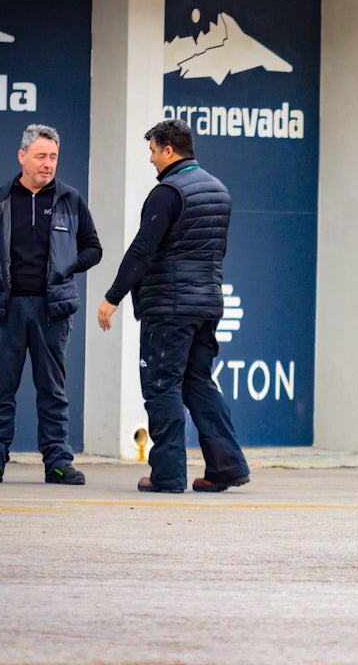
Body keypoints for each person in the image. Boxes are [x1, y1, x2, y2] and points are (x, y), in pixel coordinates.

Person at [97, 118, 249, 494]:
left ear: (169, 150)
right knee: (199, 383)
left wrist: (113, 297)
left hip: (169, 307)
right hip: (207, 305)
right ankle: (226, 467)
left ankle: (167, 474)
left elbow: (142, 250)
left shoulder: (168, 192)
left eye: (152, 151)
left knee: (162, 386)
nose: (150, 159)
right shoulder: (218, 190)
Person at [0, 125, 101, 486]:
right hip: (6, 309)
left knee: (53, 391)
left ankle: (58, 463)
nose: (48, 164)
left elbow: (94, 248)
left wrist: (66, 265)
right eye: (41, 156)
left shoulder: (70, 199)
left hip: (52, 311)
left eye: (53, 157)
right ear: (22, 156)